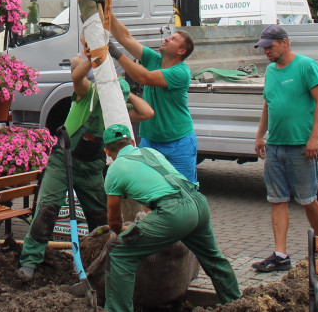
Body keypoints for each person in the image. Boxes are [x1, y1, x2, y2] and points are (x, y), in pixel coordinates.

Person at [17, 45, 154, 282]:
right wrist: (93, 61)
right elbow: (76, 76)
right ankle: (30, 261)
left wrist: (125, 93)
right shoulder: (86, 94)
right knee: (48, 209)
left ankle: (101, 262)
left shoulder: (119, 110)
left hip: (91, 167)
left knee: (100, 217)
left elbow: (147, 112)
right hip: (64, 158)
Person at [102, 123, 240, 311]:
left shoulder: (115, 169)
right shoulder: (150, 152)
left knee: (120, 253)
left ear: (106, 151)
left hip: (174, 212)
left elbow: (114, 220)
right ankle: (238, 304)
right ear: (132, 142)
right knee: (213, 258)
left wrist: (122, 231)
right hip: (197, 202)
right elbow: (154, 188)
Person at [251, 24, 318, 273]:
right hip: (275, 146)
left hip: (301, 147)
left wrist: (314, 138)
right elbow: (268, 104)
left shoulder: (306, 66)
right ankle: (280, 254)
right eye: (263, 48)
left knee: (308, 200)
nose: (266, 52)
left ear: (284, 42)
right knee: (277, 199)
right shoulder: (271, 72)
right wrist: (260, 136)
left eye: (270, 46)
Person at [105, 2, 197, 183]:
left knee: (185, 191)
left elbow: (144, 77)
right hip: (150, 141)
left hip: (178, 143)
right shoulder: (154, 59)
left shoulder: (181, 72)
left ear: (181, 51)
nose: (167, 39)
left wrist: (116, 54)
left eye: (173, 39)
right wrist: (108, 13)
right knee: (150, 191)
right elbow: (126, 38)